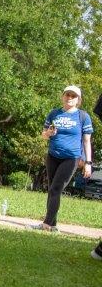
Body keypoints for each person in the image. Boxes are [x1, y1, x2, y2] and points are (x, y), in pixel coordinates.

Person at [32, 86, 92, 232]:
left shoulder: (83, 116)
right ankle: (53, 225)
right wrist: (48, 133)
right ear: (62, 96)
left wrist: (88, 163)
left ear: (78, 100)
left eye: (73, 96)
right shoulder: (54, 113)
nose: (69, 98)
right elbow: (43, 135)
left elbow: (86, 141)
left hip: (71, 158)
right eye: (67, 95)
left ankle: (46, 224)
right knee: (52, 189)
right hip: (52, 156)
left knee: (56, 188)